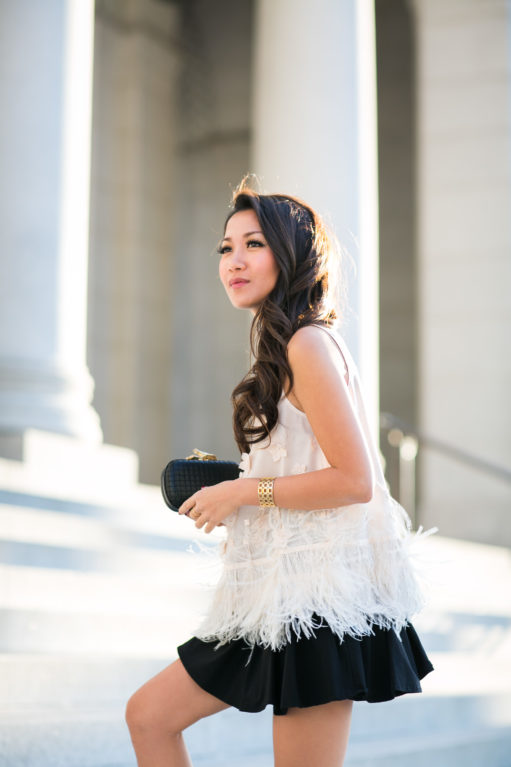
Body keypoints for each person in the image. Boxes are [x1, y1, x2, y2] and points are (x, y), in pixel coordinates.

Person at [125, 179, 435, 767]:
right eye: (225, 247)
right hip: (272, 596)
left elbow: (354, 480)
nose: (234, 260)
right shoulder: (285, 346)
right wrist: (236, 499)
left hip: (316, 604)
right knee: (149, 718)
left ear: (291, 254)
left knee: (150, 719)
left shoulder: (308, 346)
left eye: (254, 244)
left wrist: (246, 489)